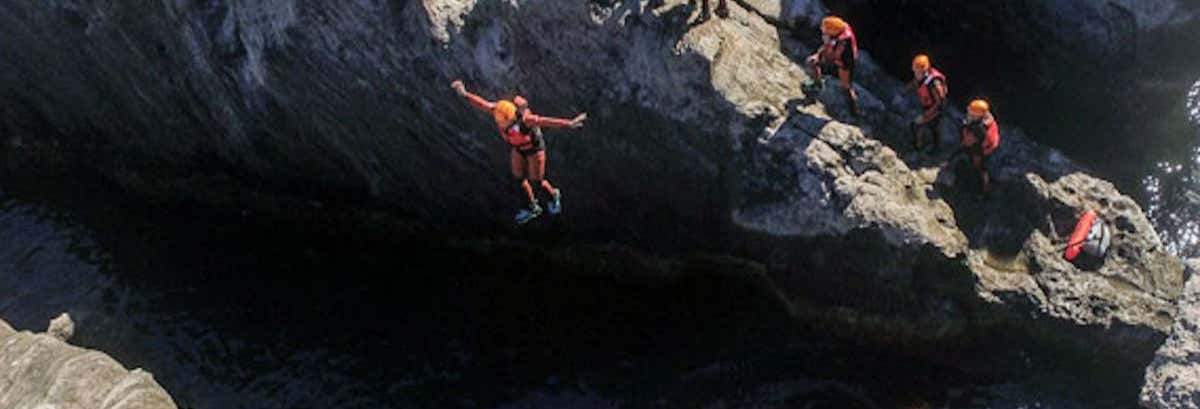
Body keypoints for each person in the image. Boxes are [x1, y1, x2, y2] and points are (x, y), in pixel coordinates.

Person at [451, 80, 587, 224]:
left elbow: (544, 121)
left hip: (534, 149)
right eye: (500, 123)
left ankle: (554, 195)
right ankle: (532, 207)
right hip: (519, 148)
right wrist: (465, 94)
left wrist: (569, 123)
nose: (502, 125)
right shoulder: (498, 110)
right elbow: (482, 104)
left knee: (537, 182)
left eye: (504, 123)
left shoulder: (526, 120)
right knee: (519, 179)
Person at [803, 16, 859, 116]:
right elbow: (827, 46)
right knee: (811, 62)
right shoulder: (841, 29)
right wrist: (818, 55)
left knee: (846, 86)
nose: (823, 32)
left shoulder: (843, 42)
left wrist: (820, 56)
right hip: (835, 56)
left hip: (844, 63)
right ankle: (817, 84)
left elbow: (834, 54)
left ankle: (853, 108)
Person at [908, 54, 948, 152]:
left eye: (918, 72)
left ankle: (922, 147)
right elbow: (915, 83)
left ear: (924, 71)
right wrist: (907, 89)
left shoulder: (934, 84)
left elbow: (940, 102)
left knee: (918, 125)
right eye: (915, 72)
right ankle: (922, 144)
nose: (916, 74)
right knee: (928, 126)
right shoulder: (922, 77)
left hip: (935, 108)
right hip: (927, 105)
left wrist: (927, 114)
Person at [960, 99, 999, 194]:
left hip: (981, 150)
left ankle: (984, 189)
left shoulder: (978, 129)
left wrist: (965, 131)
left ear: (978, 115)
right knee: (982, 166)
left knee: (979, 168)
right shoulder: (987, 117)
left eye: (972, 113)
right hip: (987, 146)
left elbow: (968, 142)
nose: (969, 113)